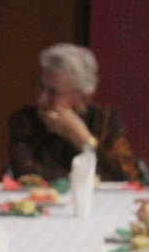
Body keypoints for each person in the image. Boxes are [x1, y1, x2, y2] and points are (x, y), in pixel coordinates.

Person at [9, 43, 139, 182]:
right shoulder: (26, 120)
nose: (42, 99)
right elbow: (26, 174)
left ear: (83, 98)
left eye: (53, 93)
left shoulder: (105, 119)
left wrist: (82, 139)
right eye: (40, 87)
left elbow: (128, 176)